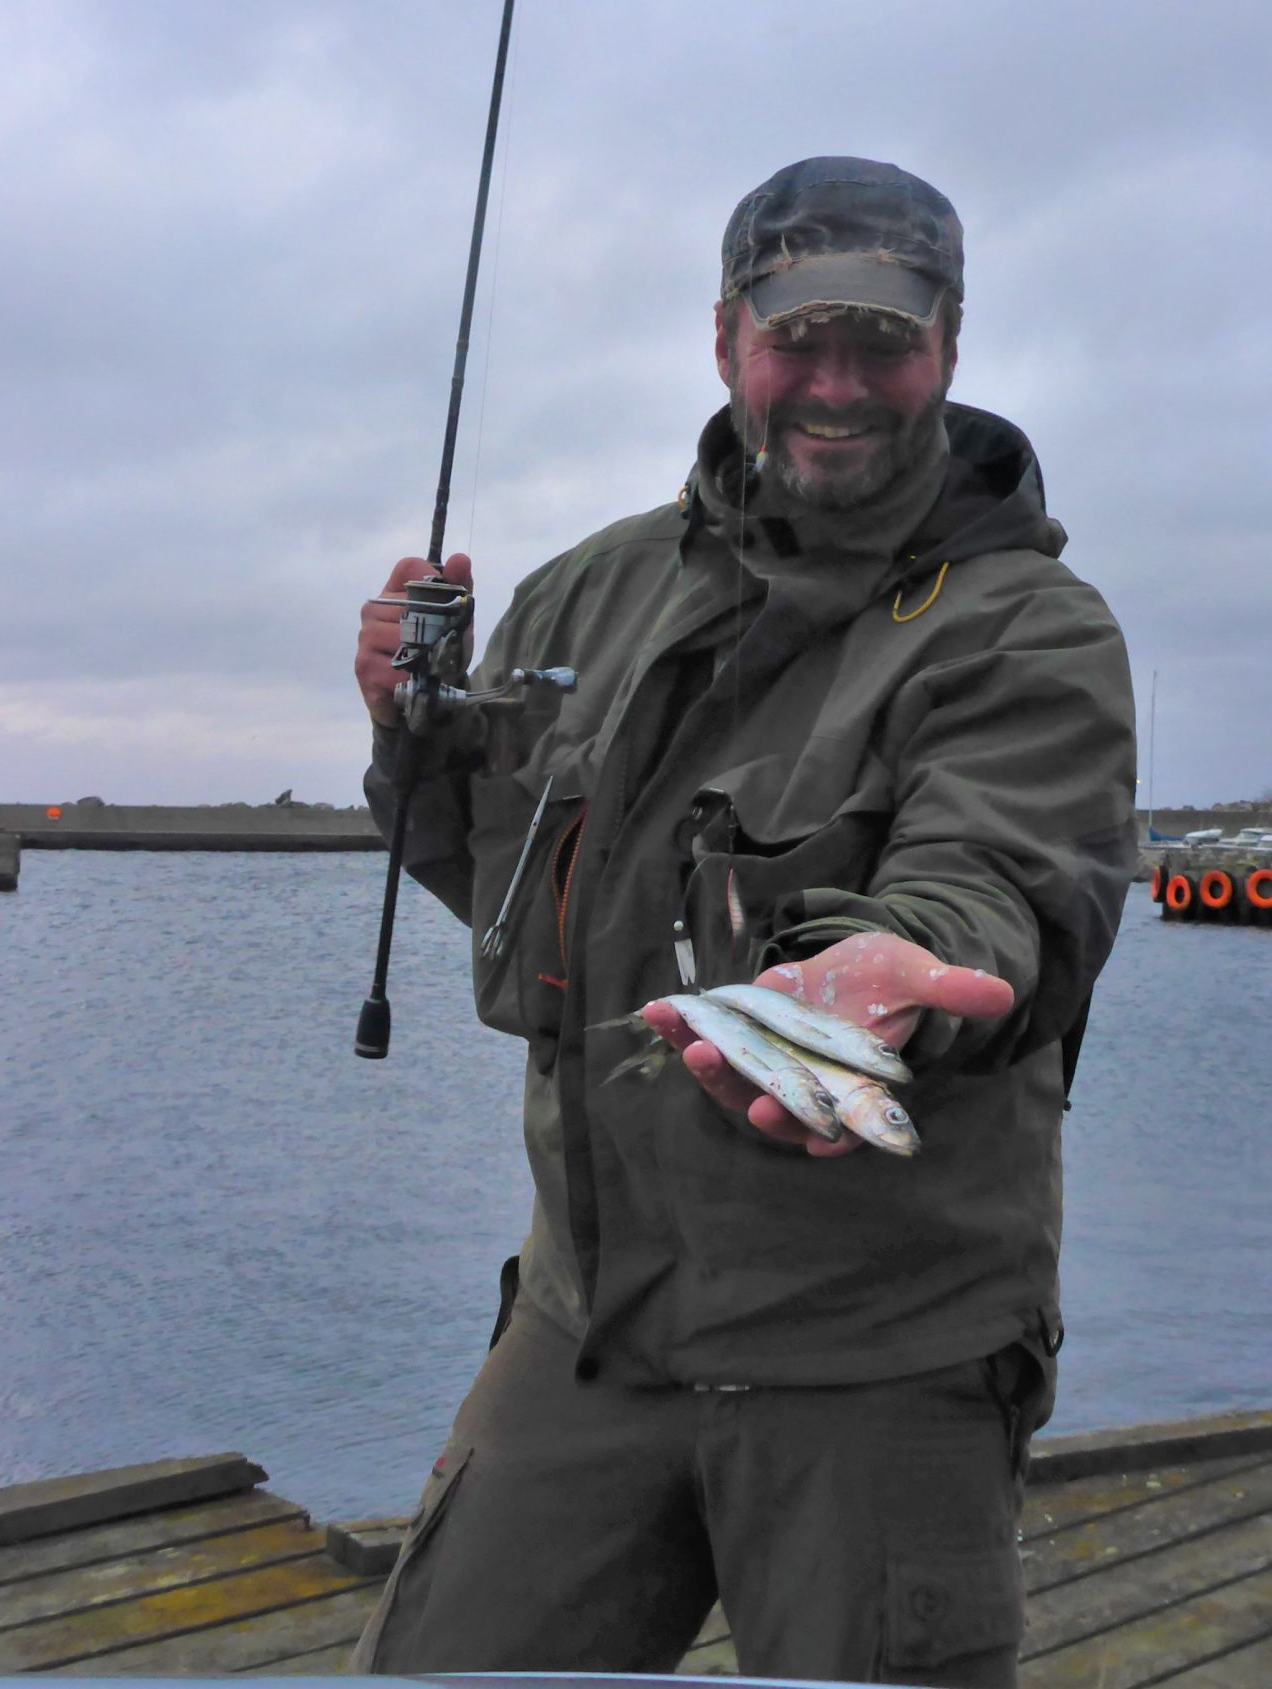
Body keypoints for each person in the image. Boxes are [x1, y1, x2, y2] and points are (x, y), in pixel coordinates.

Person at [348, 157, 1137, 1684]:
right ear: (725, 341)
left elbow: (1001, 871)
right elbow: (514, 902)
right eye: (798, 339)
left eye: (885, 343)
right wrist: (414, 746)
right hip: (588, 1330)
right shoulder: (583, 598)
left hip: (879, 1356)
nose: (838, 385)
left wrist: (904, 973)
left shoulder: (1034, 627)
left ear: (952, 347)